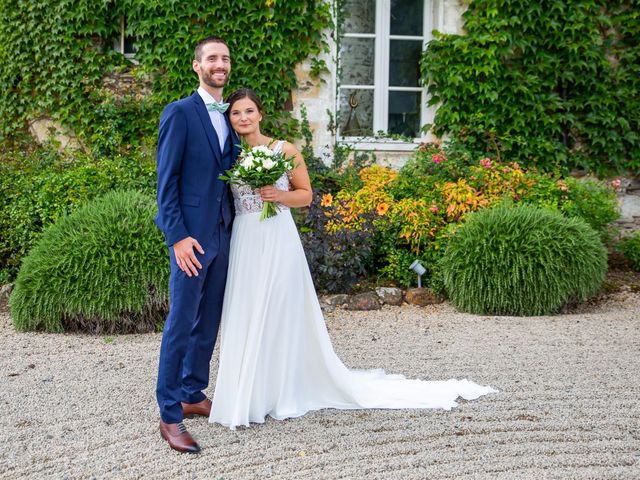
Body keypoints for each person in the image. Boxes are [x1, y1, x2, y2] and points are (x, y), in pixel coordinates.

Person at [209, 88, 497, 430]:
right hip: (245, 237)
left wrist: (278, 195)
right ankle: (247, 390)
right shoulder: (231, 157)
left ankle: (279, 390)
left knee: (278, 310)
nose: (243, 118)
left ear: (260, 114)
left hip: (276, 236)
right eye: (236, 113)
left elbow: (306, 195)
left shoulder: (283, 150)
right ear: (230, 119)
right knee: (246, 309)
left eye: (249, 111)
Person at [154, 36, 239, 453]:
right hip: (190, 239)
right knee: (181, 323)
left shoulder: (231, 117)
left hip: (224, 234)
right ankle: (170, 415)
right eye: (211, 58)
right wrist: (177, 238)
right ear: (196, 66)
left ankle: (192, 393)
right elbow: (165, 183)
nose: (219, 64)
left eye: (224, 58)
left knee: (208, 322)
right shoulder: (180, 113)